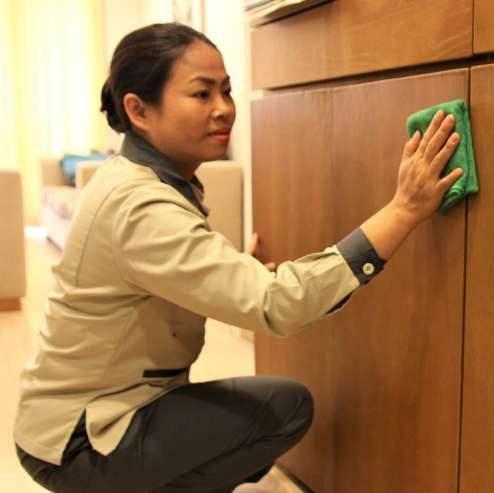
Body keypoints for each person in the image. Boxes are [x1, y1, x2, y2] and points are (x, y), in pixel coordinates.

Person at [13, 23, 463, 493]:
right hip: (80, 438)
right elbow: (277, 304)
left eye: (226, 91)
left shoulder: (139, 178)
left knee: (254, 422)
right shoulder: (139, 204)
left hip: (72, 420)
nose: (224, 109)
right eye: (201, 94)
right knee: (284, 410)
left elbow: (169, 270)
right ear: (138, 110)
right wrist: (403, 210)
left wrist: (232, 271)